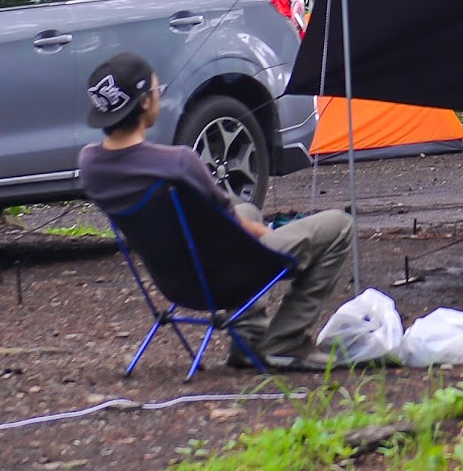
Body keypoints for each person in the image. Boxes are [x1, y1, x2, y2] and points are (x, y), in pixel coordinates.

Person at [76, 53, 354, 370]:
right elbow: (233, 223)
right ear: (143, 104)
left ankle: (248, 338)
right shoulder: (178, 162)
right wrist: (272, 234)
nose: (158, 95)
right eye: (157, 90)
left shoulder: (90, 165)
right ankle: (286, 342)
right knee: (339, 226)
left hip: (175, 282)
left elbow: (229, 214)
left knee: (246, 208)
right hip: (223, 278)